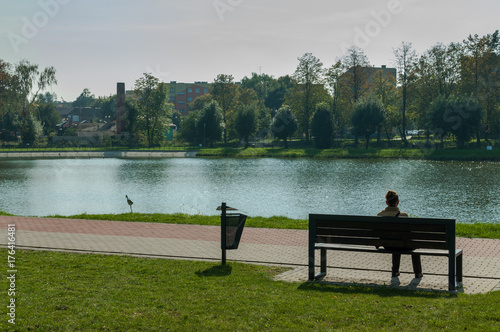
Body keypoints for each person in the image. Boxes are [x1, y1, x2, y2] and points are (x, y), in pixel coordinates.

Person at [377, 190, 423, 279]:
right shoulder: (404, 216)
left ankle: (395, 271)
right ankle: (418, 273)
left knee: (395, 242)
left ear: (386, 202)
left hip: (387, 245)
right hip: (402, 245)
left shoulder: (379, 215)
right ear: (397, 202)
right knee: (407, 244)